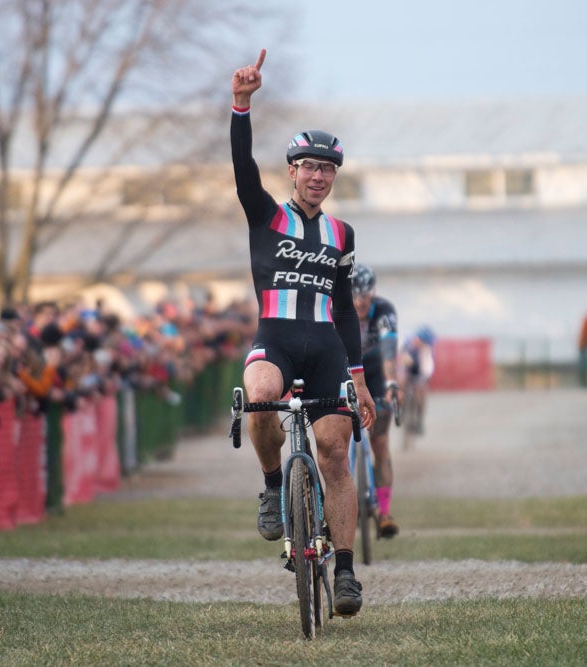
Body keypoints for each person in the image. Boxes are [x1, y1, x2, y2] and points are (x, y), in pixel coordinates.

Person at [231, 48, 374, 618]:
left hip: (327, 350)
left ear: (335, 176)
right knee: (261, 394)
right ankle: (273, 487)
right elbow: (242, 166)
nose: (318, 176)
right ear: (292, 171)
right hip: (277, 339)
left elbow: (345, 310)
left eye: (327, 169)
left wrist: (358, 378)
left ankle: (346, 572)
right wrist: (241, 105)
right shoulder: (266, 215)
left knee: (335, 455)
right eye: (309, 167)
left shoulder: (342, 233)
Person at [351, 263, 401, 538]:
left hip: (376, 374)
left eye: (365, 295)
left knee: (380, 442)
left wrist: (392, 382)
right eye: (354, 295)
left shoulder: (383, 310)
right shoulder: (335, 309)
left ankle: (384, 513)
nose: (360, 302)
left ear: (373, 292)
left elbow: (389, 350)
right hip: (345, 373)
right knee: (334, 442)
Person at [399, 325, 436, 435]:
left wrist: (423, 380)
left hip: (419, 370)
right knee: (401, 382)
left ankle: (419, 420)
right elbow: (402, 364)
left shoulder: (427, 350)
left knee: (421, 392)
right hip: (408, 368)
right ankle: (402, 410)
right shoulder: (407, 343)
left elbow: (426, 370)